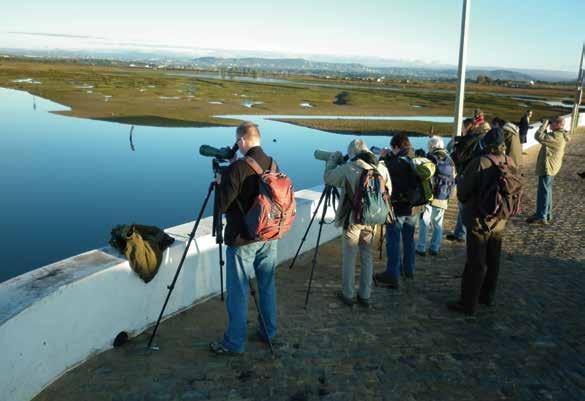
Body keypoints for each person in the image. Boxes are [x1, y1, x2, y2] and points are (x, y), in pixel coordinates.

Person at [210, 121, 279, 355]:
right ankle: (269, 330)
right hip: (269, 236)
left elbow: (222, 205)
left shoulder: (236, 168)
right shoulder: (272, 163)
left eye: (237, 142)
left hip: (243, 240)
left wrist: (222, 181)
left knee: (238, 291)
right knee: (267, 285)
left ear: (241, 141)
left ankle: (234, 342)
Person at [447, 128, 514, 315]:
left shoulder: (480, 162)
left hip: (479, 220)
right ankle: (487, 296)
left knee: (475, 262)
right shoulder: (510, 161)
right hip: (500, 219)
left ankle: (468, 303)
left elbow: (463, 191)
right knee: (494, 260)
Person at [324, 139, 391, 307]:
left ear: (352, 153)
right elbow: (389, 190)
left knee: (350, 255)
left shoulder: (350, 167)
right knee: (367, 255)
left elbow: (329, 178)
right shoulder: (381, 168)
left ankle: (348, 294)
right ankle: (365, 295)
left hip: (354, 218)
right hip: (374, 218)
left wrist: (331, 162)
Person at [375, 133, 420, 289]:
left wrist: (382, 158)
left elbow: (382, 174)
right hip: (415, 208)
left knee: (393, 240)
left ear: (396, 147)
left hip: (399, 208)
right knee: (408, 239)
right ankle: (409, 270)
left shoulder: (396, 163)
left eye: (392, 148)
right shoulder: (415, 157)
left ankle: (392, 274)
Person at [526, 116, 570, 225]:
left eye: (552, 123)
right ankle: (546, 214)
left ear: (558, 124)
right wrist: (546, 126)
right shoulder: (561, 134)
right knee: (547, 190)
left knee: (543, 192)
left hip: (548, 167)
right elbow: (545, 139)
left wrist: (544, 125)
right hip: (552, 166)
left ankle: (542, 216)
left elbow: (538, 136)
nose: (550, 124)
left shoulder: (557, 136)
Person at [416, 136, 455, 256]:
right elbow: (454, 177)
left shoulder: (430, 158)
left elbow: (424, 175)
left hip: (430, 195)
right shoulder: (449, 159)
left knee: (424, 222)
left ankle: (421, 247)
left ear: (432, 146)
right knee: (438, 223)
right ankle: (435, 247)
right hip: (443, 195)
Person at [446, 118, 475, 242]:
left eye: (463, 127)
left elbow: (456, 158)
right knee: (463, 205)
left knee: (463, 204)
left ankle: (461, 233)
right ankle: (459, 232)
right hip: (471, 174)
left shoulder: (466, 142)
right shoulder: (475, 139)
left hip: (465, 175)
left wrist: (454, 143)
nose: (461, 130)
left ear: (466, 127)